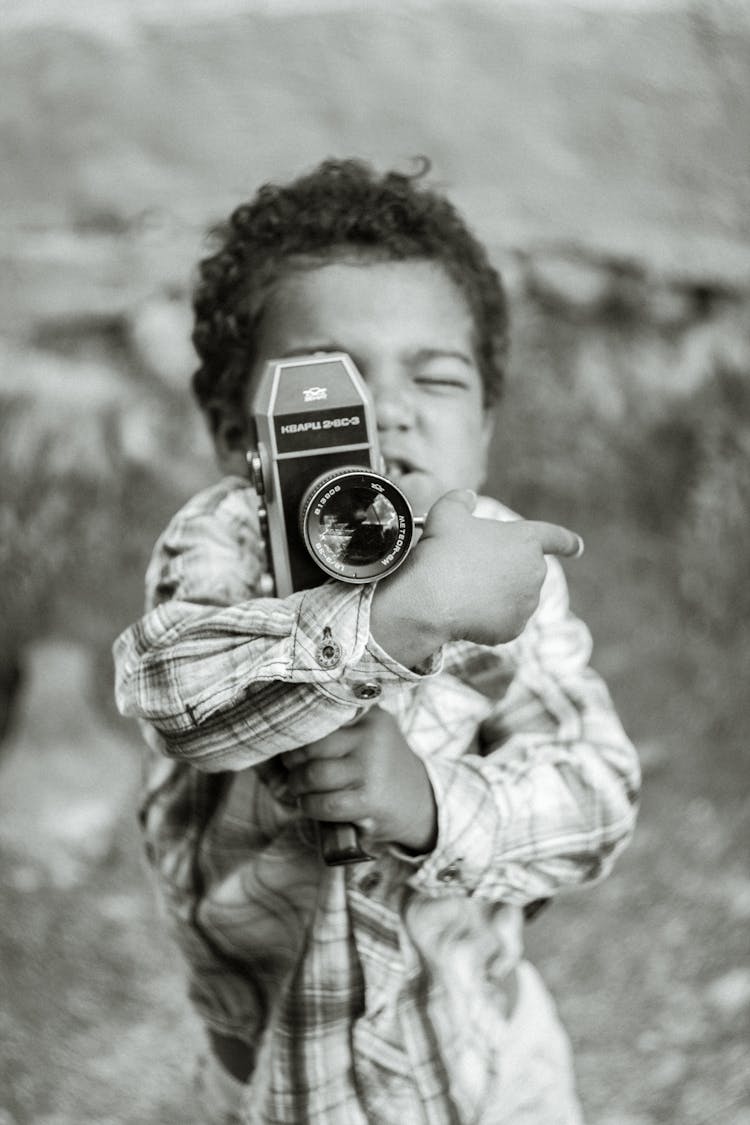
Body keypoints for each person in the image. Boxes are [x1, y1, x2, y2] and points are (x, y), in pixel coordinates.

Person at [113, 158, 640, 1125]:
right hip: (272, 1084)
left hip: (487, 1063)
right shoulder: (222, 541)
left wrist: (430, 801)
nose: (388, 408)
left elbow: (598, 792)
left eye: (434, 377)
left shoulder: (505, 563)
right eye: (334, 379)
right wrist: (386, 627)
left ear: (483, 427)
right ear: (241, 432)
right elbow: (166, 688)